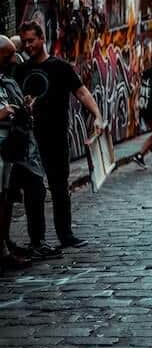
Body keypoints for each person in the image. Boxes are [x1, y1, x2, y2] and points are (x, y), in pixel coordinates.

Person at [16, 21, 104, 248]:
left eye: (31, 40)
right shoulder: (21, 70)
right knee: (33, 191)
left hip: (56, 136)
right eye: (24, 41)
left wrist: (97, 116)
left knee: (59, 188)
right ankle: (37, 240)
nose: (27, 45)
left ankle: (65, 235)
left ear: (42, 38)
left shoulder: (60, 67)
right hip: (29, 139)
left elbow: (82, 92)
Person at [1, 35, 56, 269]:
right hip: (5, 148)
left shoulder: (8, 80)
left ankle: (10, 244)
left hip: (15, 148)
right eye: (9, 55)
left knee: (10, 198)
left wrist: (23, 107)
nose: (15, 59)